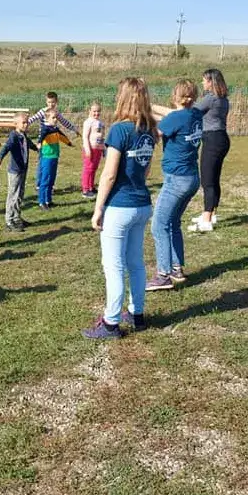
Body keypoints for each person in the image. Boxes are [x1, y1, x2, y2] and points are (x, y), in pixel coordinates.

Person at [83, 77, 158, 339]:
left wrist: (98, 208)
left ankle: (111, 322)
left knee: (113, 265)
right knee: (135, 262)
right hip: (142, 204)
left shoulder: (119, 130)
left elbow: (109, 174)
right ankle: (137, 313)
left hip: (120, 206)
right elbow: (146, 171)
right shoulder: (149, 130)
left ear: (123, 98)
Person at [146, 80, 205, 290]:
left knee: (158, 225)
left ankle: (163, 274)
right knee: (173, 223)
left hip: (176, 180)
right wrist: (150, 107)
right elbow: (171, 115)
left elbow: (157, 133)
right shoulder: (195, 114)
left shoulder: (175, 119)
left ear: (174, 96)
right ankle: (176, 268)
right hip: (192, 178)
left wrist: (145, 114)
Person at [188, 68, 231, 232]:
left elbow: (191, 112)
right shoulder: (223, 99)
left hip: (212, 140)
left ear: (211, 82)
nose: (202, 82)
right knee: (214, 178)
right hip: (221, 138)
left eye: (204, 80)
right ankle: (211, 213)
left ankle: (206, 220)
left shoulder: (210, 99)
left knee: (207, 180)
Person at [28, 91, 78, 209]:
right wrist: (24, 125)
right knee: (44, 174)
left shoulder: (55, 120)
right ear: (46, 102)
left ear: (56, 102)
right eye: (49, 102)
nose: (51, 104)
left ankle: (48, 200)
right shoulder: (43, 115)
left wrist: (70, 139)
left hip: (54, 154)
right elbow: (35, 123)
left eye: (53, 102)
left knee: (51, 177)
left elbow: (63, 129)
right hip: (45, 151)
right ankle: (42, 200)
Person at [0, 111, 38, 232]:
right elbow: (6, 147)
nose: (26, 124)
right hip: (15, 171)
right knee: (13, 195)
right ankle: (9, 220)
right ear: (15, 124)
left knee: (20, 194)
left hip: (23, 169)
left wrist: (36, 148)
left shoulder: (23, 135)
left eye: (27, 122)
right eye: (23, 123)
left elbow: (29, 143)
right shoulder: (13, 136)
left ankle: (17, 218)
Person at [80, 100, 106, 198]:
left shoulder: (100, 123)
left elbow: (102, 136)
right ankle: (85, 189)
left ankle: (91, 187)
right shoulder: (88, 122)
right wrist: (87, 149)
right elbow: (85, 136)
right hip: (90, 149)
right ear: (90, 111)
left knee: (94, 168)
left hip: (98, 149)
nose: (96, 113)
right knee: (88, 168)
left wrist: (103, 149)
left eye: (98, 111)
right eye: (94, 111)